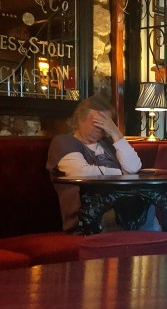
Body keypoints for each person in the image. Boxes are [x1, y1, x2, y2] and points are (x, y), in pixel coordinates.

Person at [47, 95, 145, 232]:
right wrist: (122, 174)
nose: (102, 127)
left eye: (107, 123)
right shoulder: (64, 142)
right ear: (80, 119)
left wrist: (116, 133)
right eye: (98, 122)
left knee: (146, 203)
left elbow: (134, 167)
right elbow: (82, 172)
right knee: (138, 211)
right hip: (88, 215)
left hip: (120, 208)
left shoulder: (108, 144)